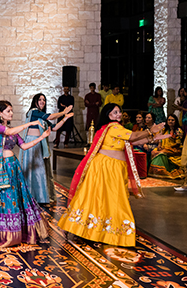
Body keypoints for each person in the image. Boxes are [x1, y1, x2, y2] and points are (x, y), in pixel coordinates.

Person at [58, 103, 167, 247]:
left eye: (119, 112)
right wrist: (149, 131)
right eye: (115, 112)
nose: (119, 114)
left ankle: (92, 230)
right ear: (109, 115)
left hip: (111, 167)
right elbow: (133, 135)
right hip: (106, 168)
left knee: (102, 199)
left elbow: (132, 141)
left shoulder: (113, 129)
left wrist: (154, 138)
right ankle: (105, 232)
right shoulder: (113, 127)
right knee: (109, 199)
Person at [0, 100, 50, 247]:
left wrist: (42, 137)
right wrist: (30, 124)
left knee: (16, 196)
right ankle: (3, 233)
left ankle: (18, 231)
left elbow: (24, 146)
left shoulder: (12, 129)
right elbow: (8, 132)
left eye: (12, 111)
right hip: (0, 168)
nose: (11, 113)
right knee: (3, 197)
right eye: (8, 111)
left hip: (13, 166)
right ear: (0, 113)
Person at [20, 93, 73, 205]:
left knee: (41, 170)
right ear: (35, 102)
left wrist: (65, 118)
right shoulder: (33, 112)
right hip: (31, 143)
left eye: (44, 100)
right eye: (40, 100)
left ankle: (40, 197)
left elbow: (54, 128)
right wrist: (63, 112)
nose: (42, 101)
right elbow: (50, 117)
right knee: (33, 170)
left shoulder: (41, 116)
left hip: (40, 143)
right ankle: (29, 197)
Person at [149, 114, 184, 179]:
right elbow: (160, 140)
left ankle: (161, 171)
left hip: (174, 149)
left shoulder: (178, 131)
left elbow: (178, 144)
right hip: (164, 147)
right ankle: (155, 172)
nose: (170, 121)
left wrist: (166, 148)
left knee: (161, 153)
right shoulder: (164, 130)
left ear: (176, 121)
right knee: (154, 151)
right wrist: (159, 146)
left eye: (172, 120)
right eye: (169, 120)